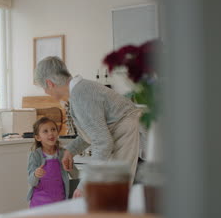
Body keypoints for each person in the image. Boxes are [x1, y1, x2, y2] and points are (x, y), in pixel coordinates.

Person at [34, 56, 143, 198]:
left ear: (49, 83)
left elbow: (103, 143)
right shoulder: (81, 90)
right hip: (127, 133)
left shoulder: (81, 95)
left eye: (43, 88)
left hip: (128, 133)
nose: (45, 92)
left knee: (114, 198)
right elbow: (93, 131)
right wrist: (70, 150)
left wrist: (84, 185)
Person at [27, 117, 79, 208]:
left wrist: (70, 167)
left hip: (60, 201)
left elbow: (76, 175)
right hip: (40, 202)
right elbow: (31, 182)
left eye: (53, 129)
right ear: (38, 137)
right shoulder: (35, 155)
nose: (51, 133)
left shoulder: (63, 153)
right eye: (45, 131)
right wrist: (35, 174)